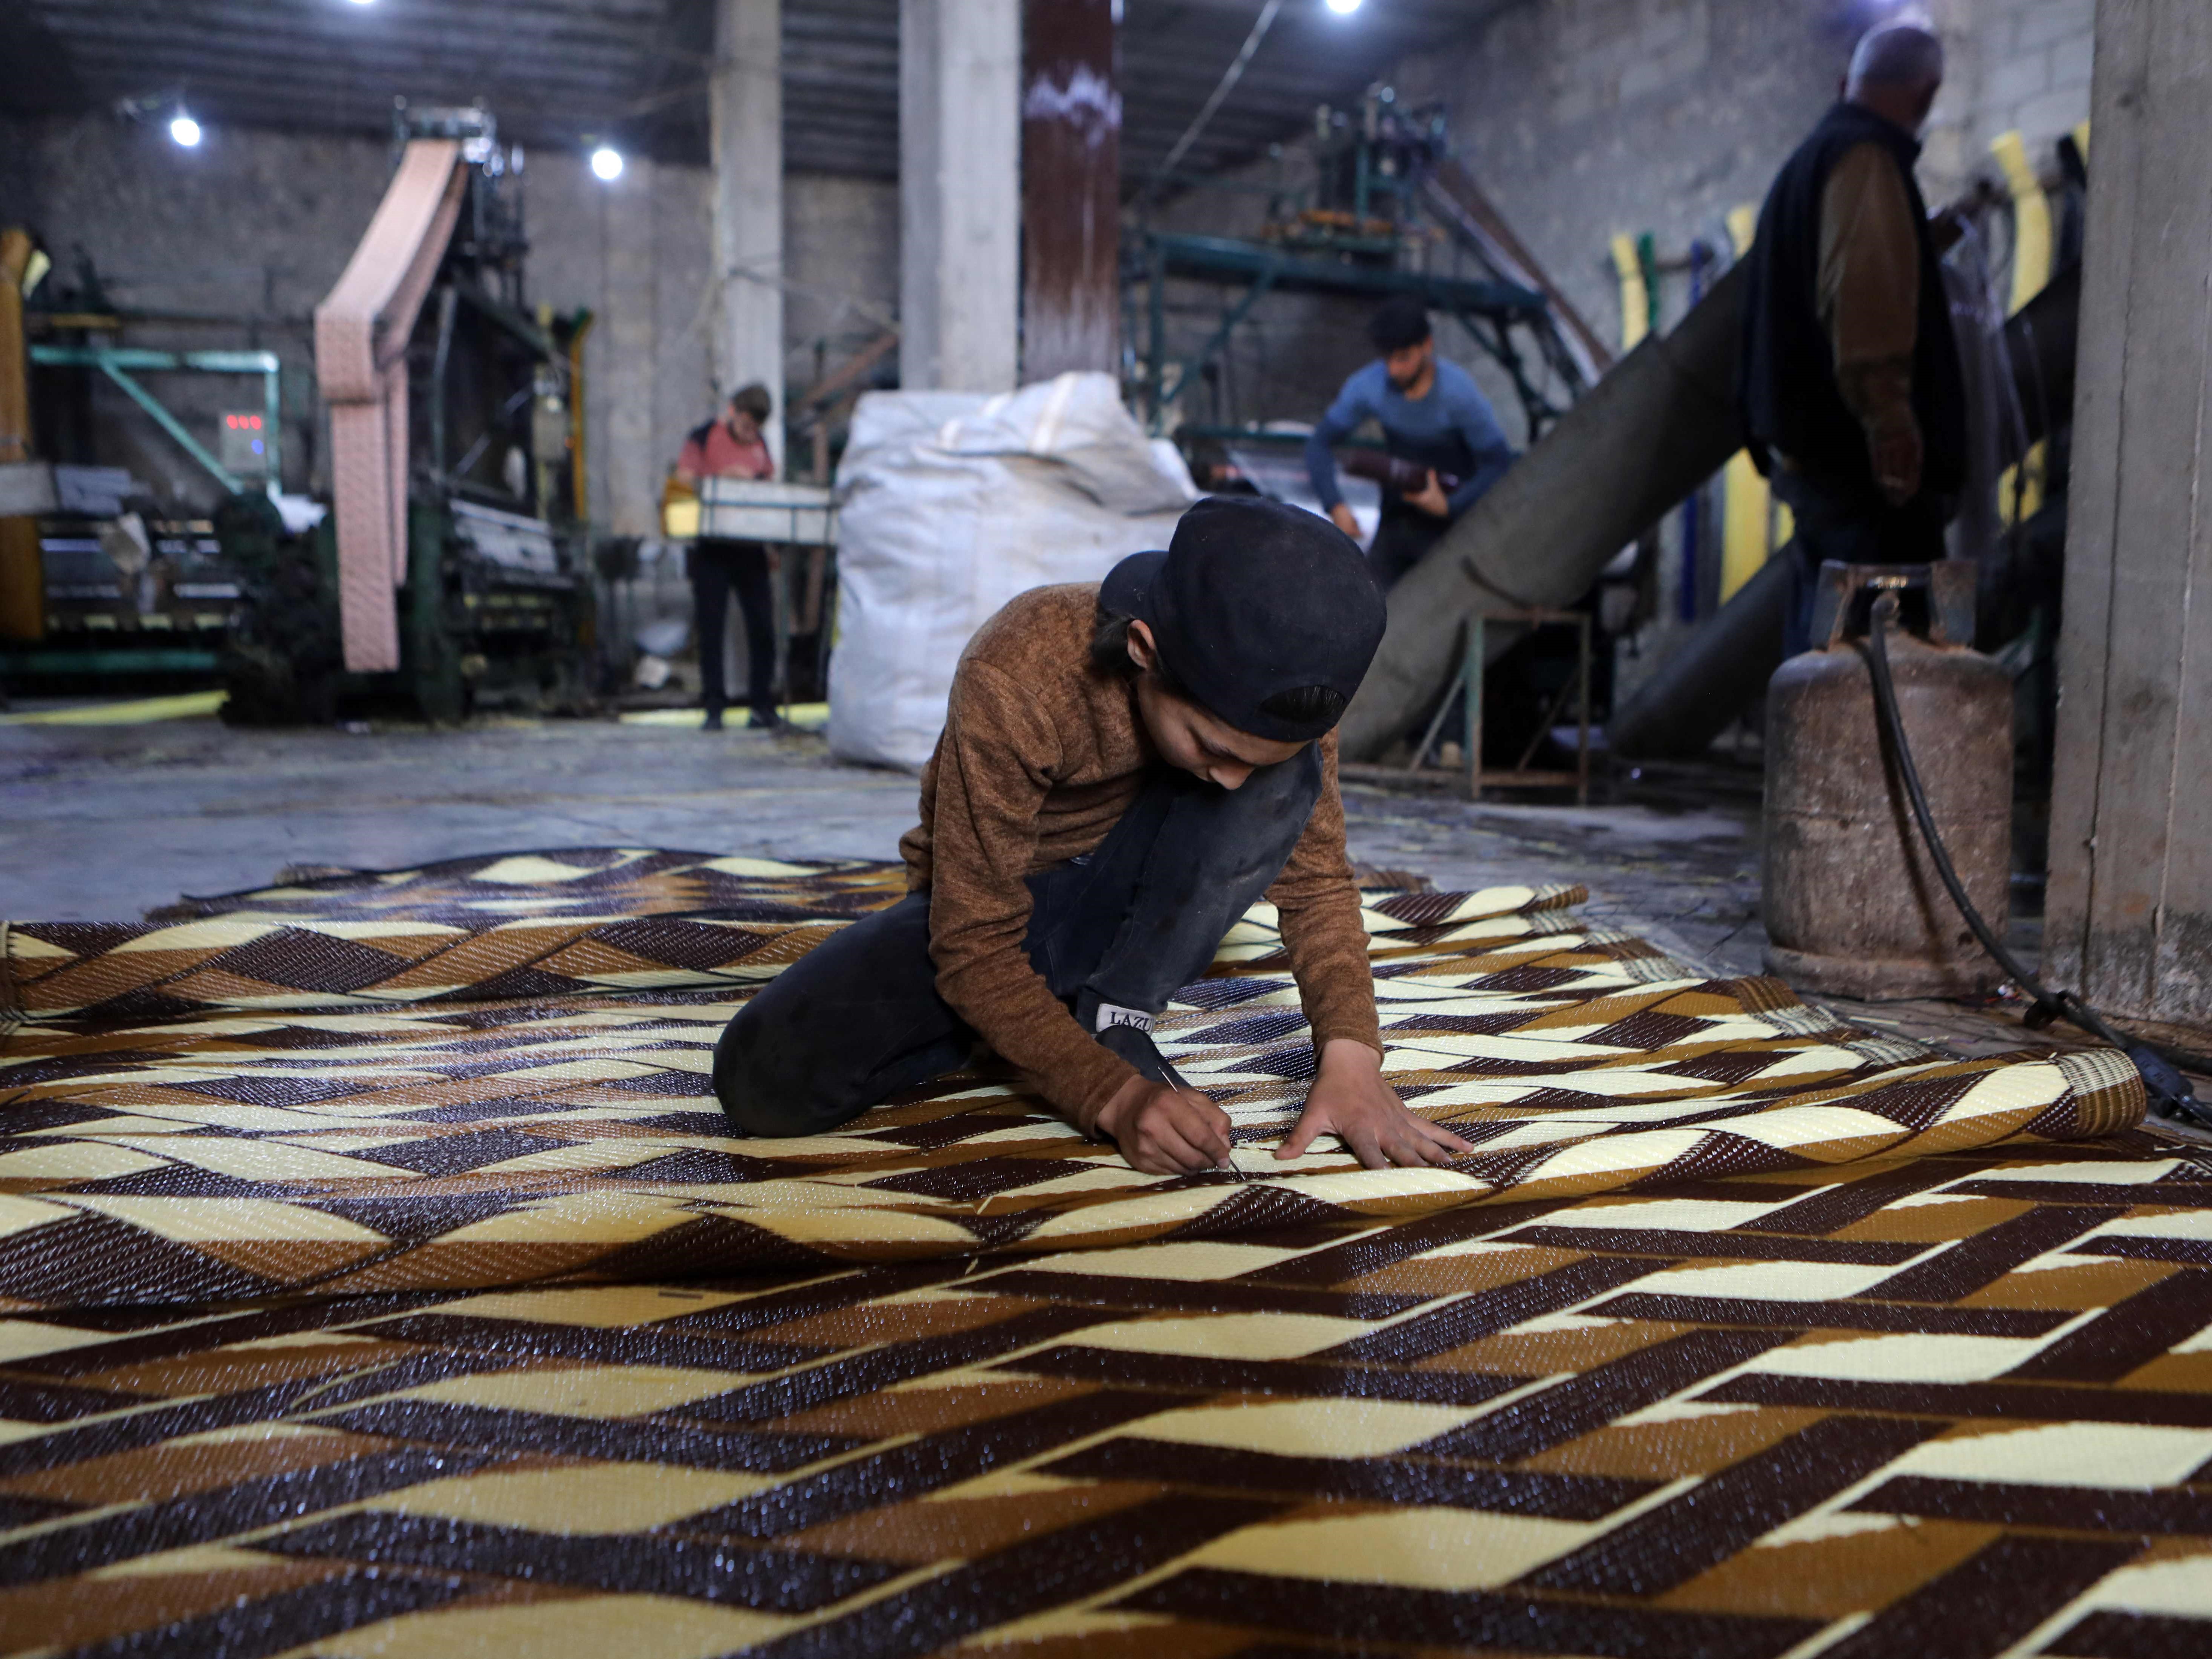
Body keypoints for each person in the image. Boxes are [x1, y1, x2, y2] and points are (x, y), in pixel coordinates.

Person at [714, 495, 1474, 1176]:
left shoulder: (1290, 693)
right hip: (1014, 906)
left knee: (1285, 775)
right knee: (761, 1081)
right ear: (1143, 652)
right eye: (1211, 746)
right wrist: (1111, 1098)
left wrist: (1351, 1056)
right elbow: (975, 940)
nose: (1232, 782)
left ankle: (1114, 1010)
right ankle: (1052, 1013)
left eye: (1252, 758)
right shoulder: (1022, 670)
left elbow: (1314, 884)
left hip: (1145, 903)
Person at [1739, 20, 1967, 656]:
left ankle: (1816, 760)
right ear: (1925, 95)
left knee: (1823, 655)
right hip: (1861, 473)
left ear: (1847, 83)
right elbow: (1865, 294)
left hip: (1818, 466)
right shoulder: (1865, 159)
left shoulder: (1805, 164)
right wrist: (1891, 421)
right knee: (1877, 664)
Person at [1304, 296, 1516, 588]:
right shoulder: (1369, 388)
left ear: (1426, 346)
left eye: (1403, 358)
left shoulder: (1458, 393)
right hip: (1397, 520)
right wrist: (1335, 505)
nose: (1394, 370)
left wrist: (1450, 506)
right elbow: (1319, 444)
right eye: (1387, 359)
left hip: (1452, 528)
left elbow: (1498, 462)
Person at [674, 384, 781, 731]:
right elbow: (683, 478)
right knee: (711, 628)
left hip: (750, 548)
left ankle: (762, 705)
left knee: (763, 628)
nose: (751, 435)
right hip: (713, 548)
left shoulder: (761, 447)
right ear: (733, 412)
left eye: (756, 430)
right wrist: (722, 479)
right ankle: (714, 706)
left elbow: (769, 492)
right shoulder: (704, 436)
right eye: (746, 426)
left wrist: (771, 546)